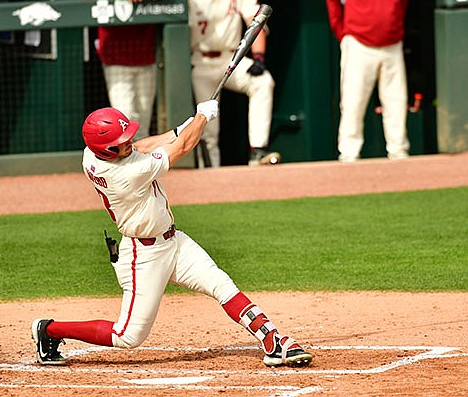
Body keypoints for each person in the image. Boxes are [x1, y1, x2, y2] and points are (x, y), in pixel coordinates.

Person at [30, 101, 313, 368]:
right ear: (107, 151)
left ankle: (273, 340)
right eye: (120, 144)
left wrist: (178, 129)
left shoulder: (93, 154)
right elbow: (183, 147)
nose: (127, 144)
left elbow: (139, 146)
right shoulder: (128, 174)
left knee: (221, 284)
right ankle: (50, 330)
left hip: (174, 241)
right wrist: (202, 118)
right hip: (143, 255)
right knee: (127, 336)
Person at [188, 0, 278, 167]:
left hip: (231, 58)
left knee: (263, 82)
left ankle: (258, 149)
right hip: (200, 61)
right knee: (209, 130)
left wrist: (259, 57)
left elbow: (255, 20)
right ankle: (209, 170)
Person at [326, 0, 410, 162]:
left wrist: (395, 28)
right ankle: (349, 154)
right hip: (358, 43)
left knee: (397, 101)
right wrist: (342, 34)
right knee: (353, 102)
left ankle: (399, 151)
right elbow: (333, 0)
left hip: (392, 43)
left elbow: (403, 3)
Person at [82, 0, 163, 141]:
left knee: (143, 124)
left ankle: (140, 161)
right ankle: (127, 161)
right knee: (125, 119)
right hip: (116, 56)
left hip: (146, 53)